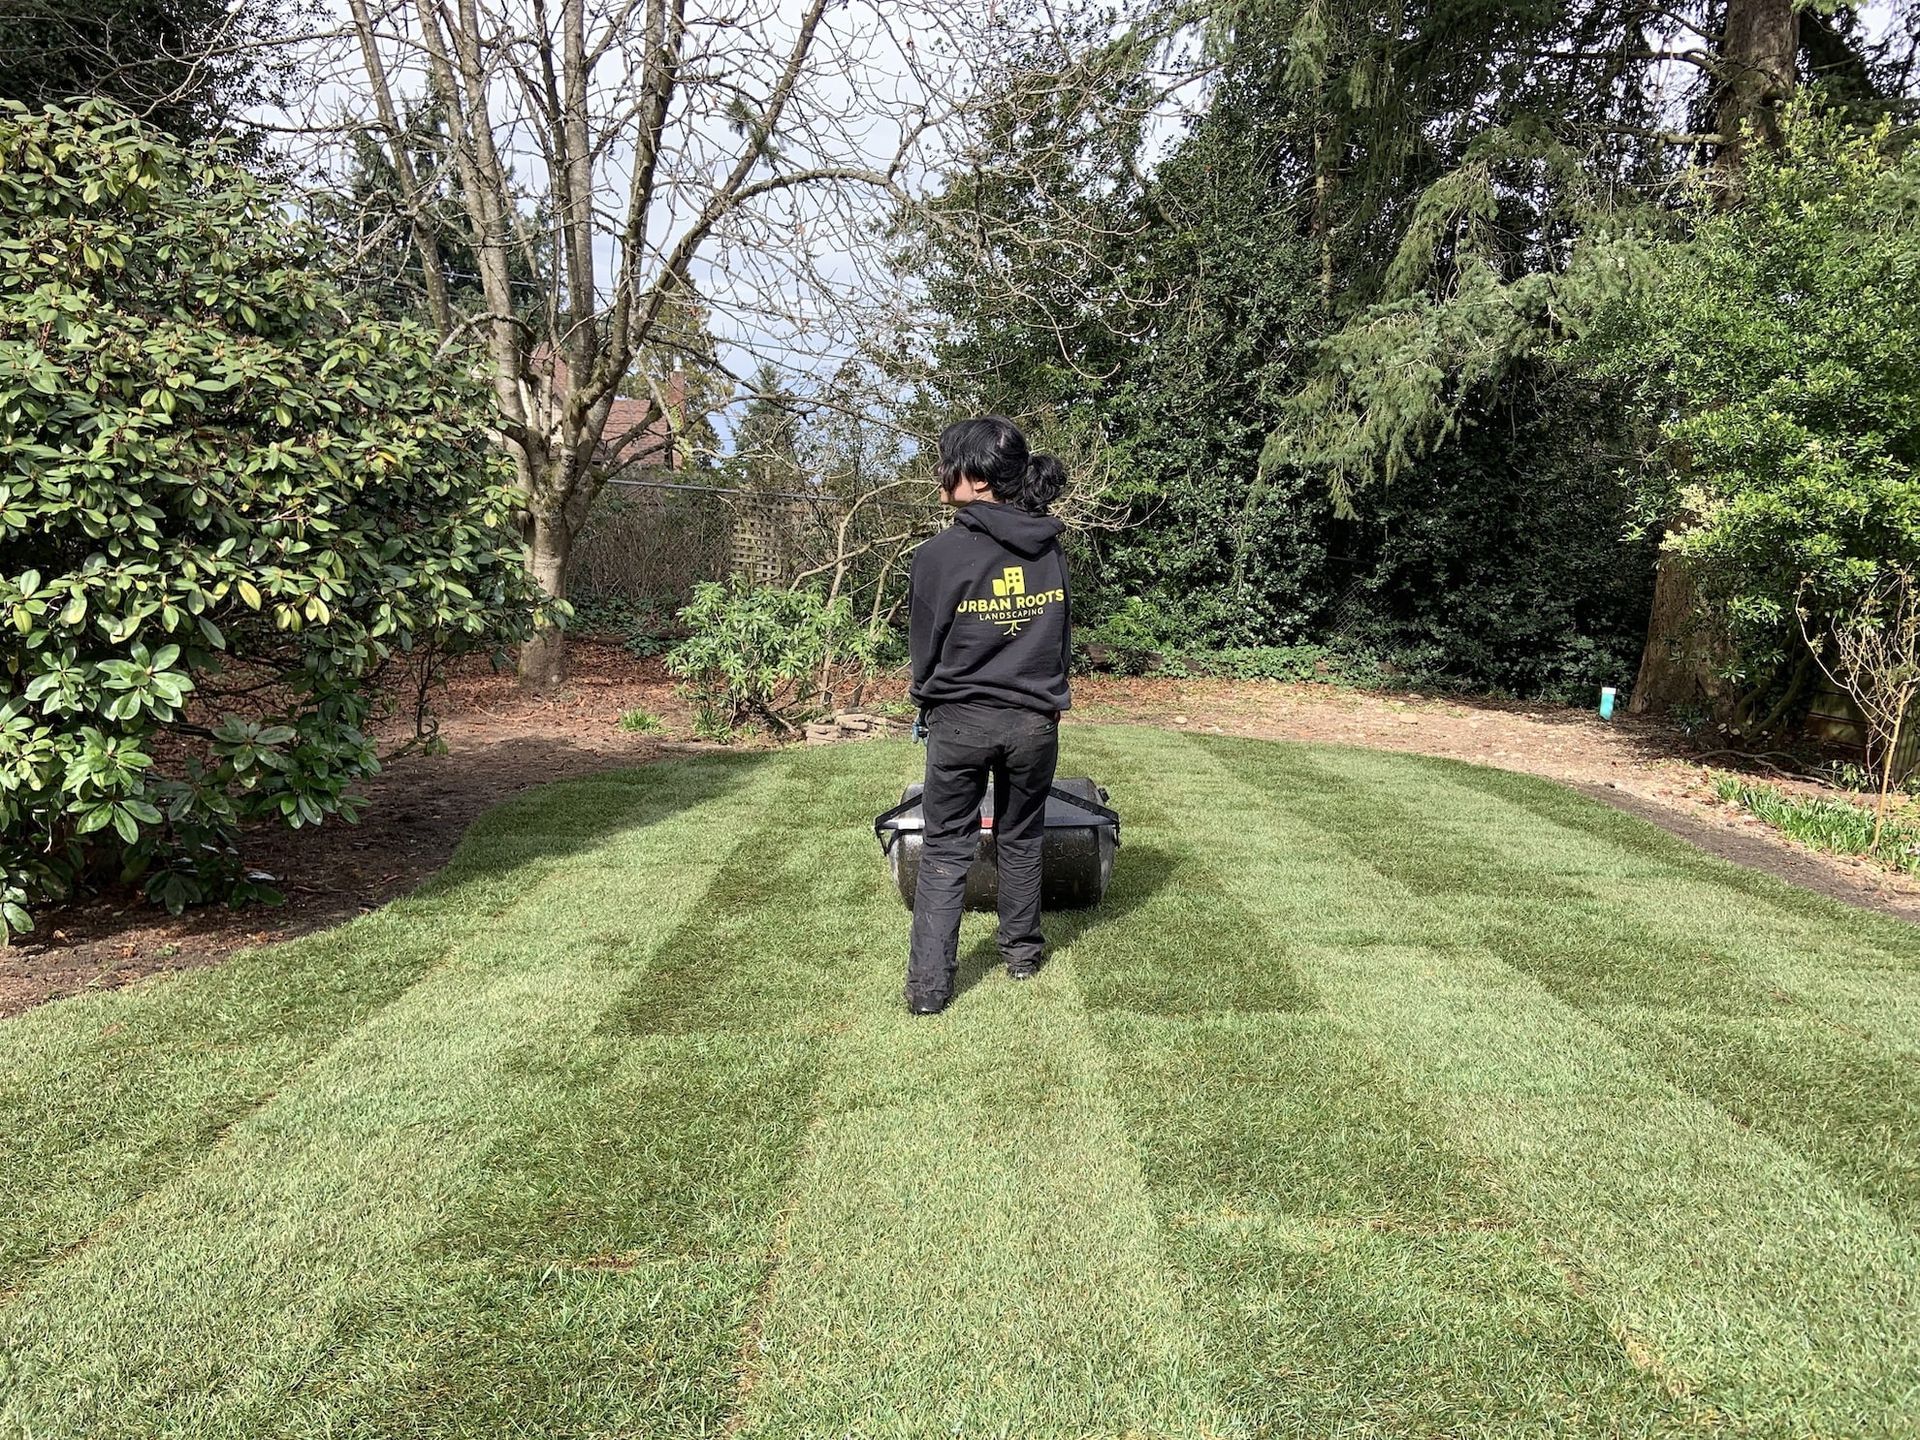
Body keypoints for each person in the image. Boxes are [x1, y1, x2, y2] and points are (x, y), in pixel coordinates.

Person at [903, 416, 1071, 1015]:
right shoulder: (1048, 546)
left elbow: (925, 650)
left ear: (973, 477)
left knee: (947, 847)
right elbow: (1058, 635)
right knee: (1021, 834)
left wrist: (926, 699)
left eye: (947, 463)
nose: (940, 474)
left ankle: (929, 989)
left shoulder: (937, 556)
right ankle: (1022, 955)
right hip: (1034, 722)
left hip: (962, 721)